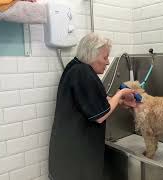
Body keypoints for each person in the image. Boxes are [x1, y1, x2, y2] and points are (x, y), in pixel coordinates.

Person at [48, 33, 137, 180]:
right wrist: (121, 93)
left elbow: (92, 99)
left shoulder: (75, 67)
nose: (107, 62)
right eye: (104, 57)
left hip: (67, 153)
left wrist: (120, 101)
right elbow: (101, 116)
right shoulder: (83, 73)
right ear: (91, 55)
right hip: (76, 158)